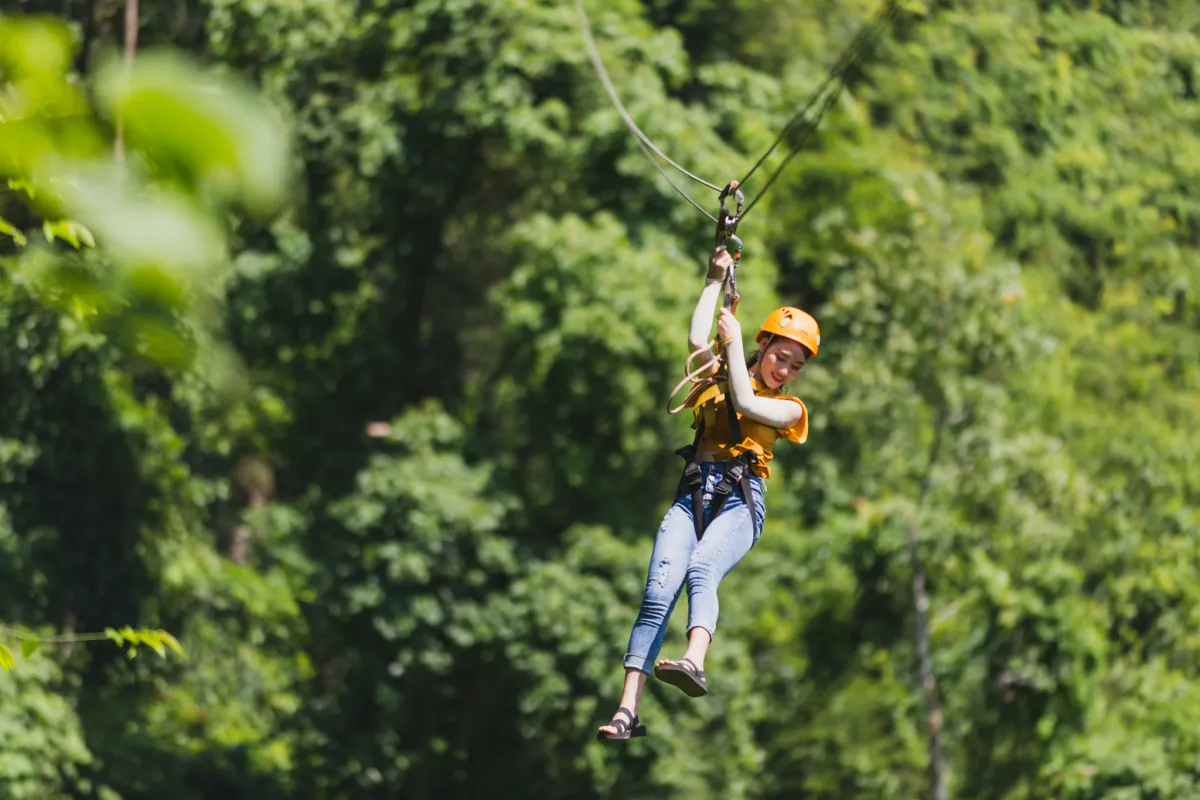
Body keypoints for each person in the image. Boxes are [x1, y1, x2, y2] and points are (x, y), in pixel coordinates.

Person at [596, 244, 820, 741]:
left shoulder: (791, 410)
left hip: (742, 500)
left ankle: (694, 661)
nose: (785, 371)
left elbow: (745, 397)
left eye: (795, 365)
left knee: (702, 568)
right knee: (657, 593)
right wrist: (713, 279)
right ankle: (626, 712)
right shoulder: (714, 380)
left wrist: (736, 345)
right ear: (766, 346)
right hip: (693, 492)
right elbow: (698, 339)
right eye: (780, 357)